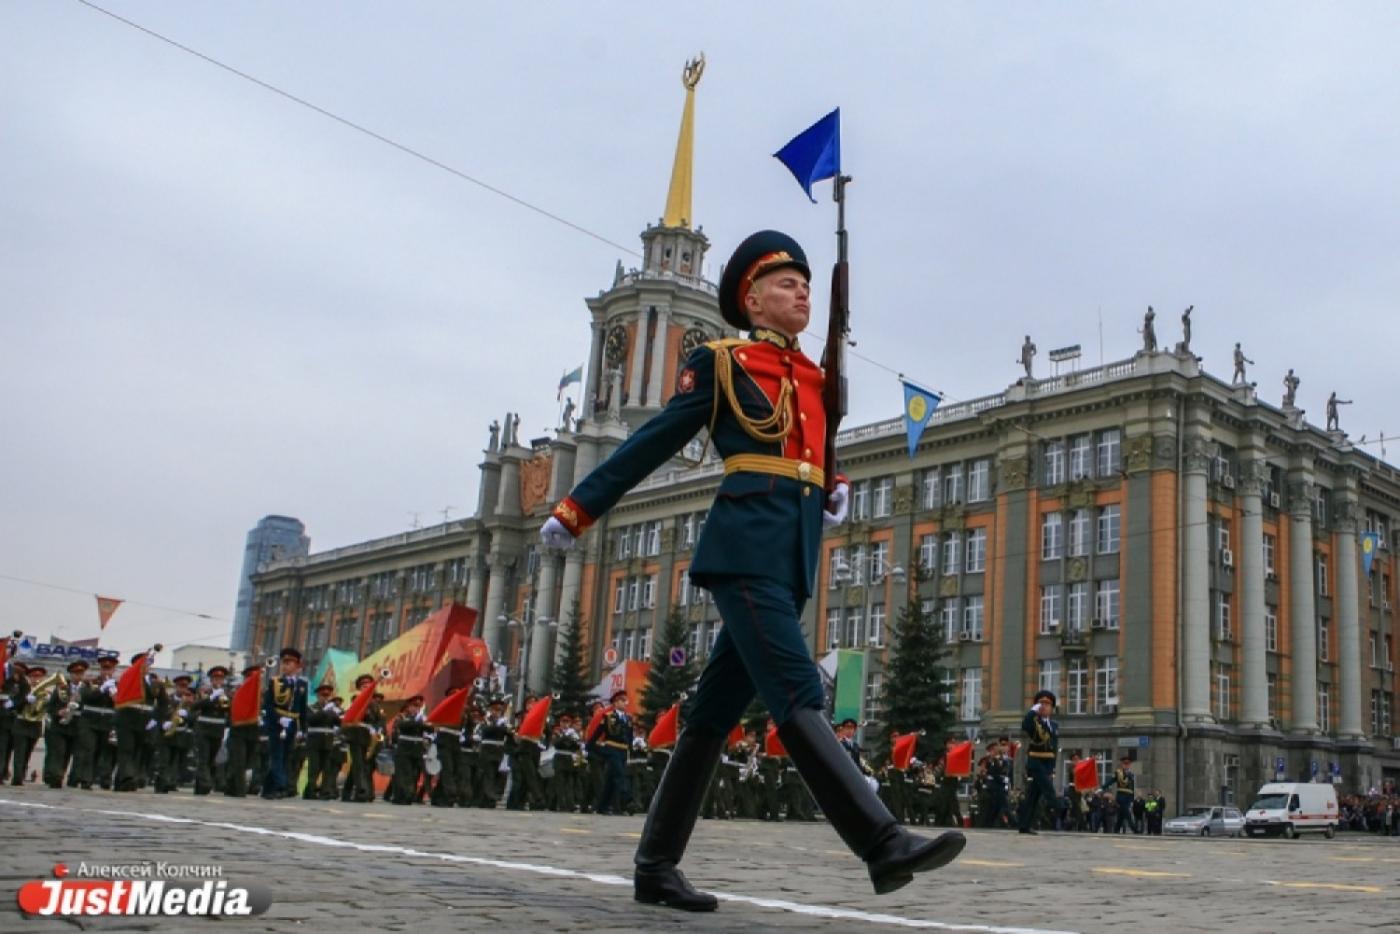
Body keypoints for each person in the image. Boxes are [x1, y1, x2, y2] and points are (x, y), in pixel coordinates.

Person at [542, 230, 966, 910]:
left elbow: (813, 451)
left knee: (710, 718)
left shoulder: (814, 375)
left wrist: (833, 483)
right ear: (752, 299)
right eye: (786, 283)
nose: (801, 291)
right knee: (798, 691)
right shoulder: (722, 361)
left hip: (788, 557)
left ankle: (655, 867)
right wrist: (576, 508)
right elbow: (657, 439)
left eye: (805, 282)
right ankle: (881, 843)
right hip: (742, 549)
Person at [261, 648, 309, 800]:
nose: (286, 666)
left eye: (290, 663)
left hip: (292, 724)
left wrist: (303, 729)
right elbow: (268, 706)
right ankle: (281, 786)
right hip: (278, 724)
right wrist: (277, 719)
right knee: (277, 755)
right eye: (284, 663)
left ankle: (268, 789)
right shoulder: (275, 682)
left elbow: (302, 708)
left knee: (285, 756)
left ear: (297, 665)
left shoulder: (302, 684)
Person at [1017, 689, 1059, 835]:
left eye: (1047, 704)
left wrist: (1052, 768)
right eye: (1041, 703)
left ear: (1052, 707)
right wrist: (1033, 710)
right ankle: (1060, 810)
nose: (1044, 706)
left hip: (1047, 763)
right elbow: (1024, 725)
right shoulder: (1034, 722)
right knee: (1049, 790)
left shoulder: (1054, 725)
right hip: (1036, 762)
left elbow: (1054, 748)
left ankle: (1024, 825)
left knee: (1033, 796)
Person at [590, 690, 634, 816]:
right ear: (615, 703)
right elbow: (597, 733)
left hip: (623, 750)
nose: (624, 703)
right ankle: (628, 799)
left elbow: (629, 737)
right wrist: (591, 747)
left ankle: (602, 806)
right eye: (622, 700)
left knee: (610, 779)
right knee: (620, 775)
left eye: (625, 700)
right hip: (612, 749)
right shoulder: (608, 716)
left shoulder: (628, 718)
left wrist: (631, 751)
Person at [190, 666, 231, 795]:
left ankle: (201, 786)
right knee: (203, 758)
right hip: (203, 729)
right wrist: (211, 697)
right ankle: (205, 783)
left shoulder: (228, 694)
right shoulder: (204, 692)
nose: (218, 681)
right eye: (215, 678)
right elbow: (195, 706)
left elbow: (230, 711)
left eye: (220, 678)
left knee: (212, 760)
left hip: (218, 730)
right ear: (211, 679)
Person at [303, 683, 341, 800]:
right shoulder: (310, 708)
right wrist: (324, 711)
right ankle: (310, 791)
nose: (325, 698)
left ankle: (325, 791)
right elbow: (311, 720)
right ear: (318, 696)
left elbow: (338, 723)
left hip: (327, 742)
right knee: (314, 768)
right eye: (322, 695)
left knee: (327, 768)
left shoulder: (332, 710)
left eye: (327, 696)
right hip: (314, 741)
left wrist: (336, 712)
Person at [389, 694, 430, 804]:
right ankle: (401, 796)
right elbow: (403, 726)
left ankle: (410, 795)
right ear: (408, 706)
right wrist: (418, 722)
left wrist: (423, 722)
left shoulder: (422, 718)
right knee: (403, 773)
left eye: (418, 706)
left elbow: (430, 728)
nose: (415, 708)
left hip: (417, 749)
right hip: (404, 748)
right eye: (413, 706)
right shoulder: (402, 717)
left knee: (414, 774)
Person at [1104, 755, 1136, 834]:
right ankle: (1134, 829)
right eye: (1125, 764)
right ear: (1122, 764)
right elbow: (1111, 781)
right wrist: (1103, 787)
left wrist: (1132, 799)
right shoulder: (1118, 773)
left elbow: (1132, 788)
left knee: (1121, 815)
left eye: (1128, 764)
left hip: (1128, 797)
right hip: (1121, 796)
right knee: (1127, 813)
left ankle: (1116, 829)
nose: (1126, 765)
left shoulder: (1131, 774)